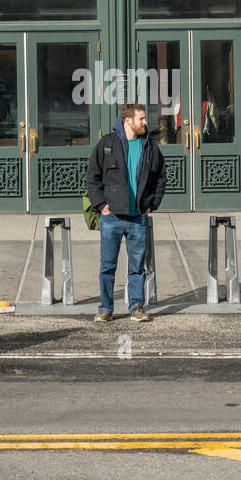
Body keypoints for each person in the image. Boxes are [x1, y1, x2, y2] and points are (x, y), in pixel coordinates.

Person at [85, 101, 166, 323]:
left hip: (138, 217)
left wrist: (153, 204)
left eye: (144, 118)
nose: (145, 122)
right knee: (107, 266)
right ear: (127, 121)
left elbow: (161, 178)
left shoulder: (150, 146)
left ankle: (136, 307)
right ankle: (105, 308)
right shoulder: (106, 144)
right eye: (141, 119)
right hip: (112, 217)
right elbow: (92, 178)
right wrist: (102, 205)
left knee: (137, 267)